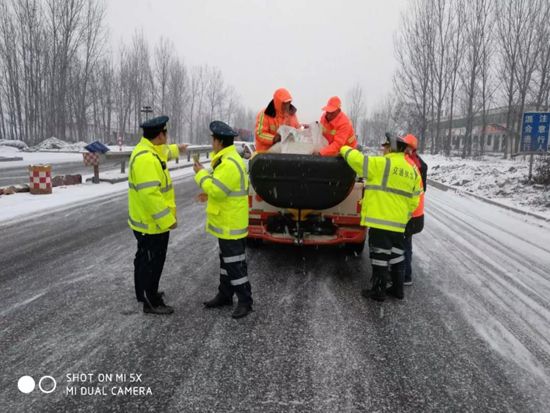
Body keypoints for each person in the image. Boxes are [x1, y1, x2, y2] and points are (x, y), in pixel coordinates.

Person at [340, 133, 422, 302]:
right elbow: (416, 198)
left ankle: (378, 291)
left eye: (385, 146)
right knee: (397, 255)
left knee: (379, 256)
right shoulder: (412, 169)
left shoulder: (382, 164)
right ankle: (398, 290)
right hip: (399, 224)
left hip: (380, 221)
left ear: (391, 147)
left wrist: (342, 147)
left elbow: (358, 160)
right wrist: (404, 216)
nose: (383, 149)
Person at [128, 115, 188, 315]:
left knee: (144, 258)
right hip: (152, 223)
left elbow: (163, 152)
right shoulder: (146, 159)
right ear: (160, 135)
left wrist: (177, 149)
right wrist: (167, 220)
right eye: (166, 133)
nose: (167, 137)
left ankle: (143, 293)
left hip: (147, 222)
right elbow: (150, 195)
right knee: (152, 261)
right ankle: (150, 301)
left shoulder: (149, 150)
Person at [193, 120, 253, 319]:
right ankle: (225, 294)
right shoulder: (225, 161)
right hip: (226, 221)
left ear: (219, 142)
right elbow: (222, 190)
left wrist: (200, 174)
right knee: (226, 262)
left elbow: (217, 190)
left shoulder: (228, 164)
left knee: (235, 264)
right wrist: (207, 193)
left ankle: (245, 301)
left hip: (231, 224)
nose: (211, 141)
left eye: (213, 139)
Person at [402, 134, 427, 286]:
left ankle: (405, 275)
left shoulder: (409, 163)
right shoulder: (420, 164)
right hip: (415, 212)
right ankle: (404, 273)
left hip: (408, 212)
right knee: (406, 243)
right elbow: (423, 189)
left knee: (403, 244)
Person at [255, 88, 300, 152]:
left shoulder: (292, 115)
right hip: (265, 155)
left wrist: (303, 132)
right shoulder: (265, 114)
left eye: (288, 102)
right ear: (278, 102)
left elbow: (297, 131)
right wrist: (274, 139)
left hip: (285, 155)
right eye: (284, 103)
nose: (287, 105)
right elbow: (259, 133)